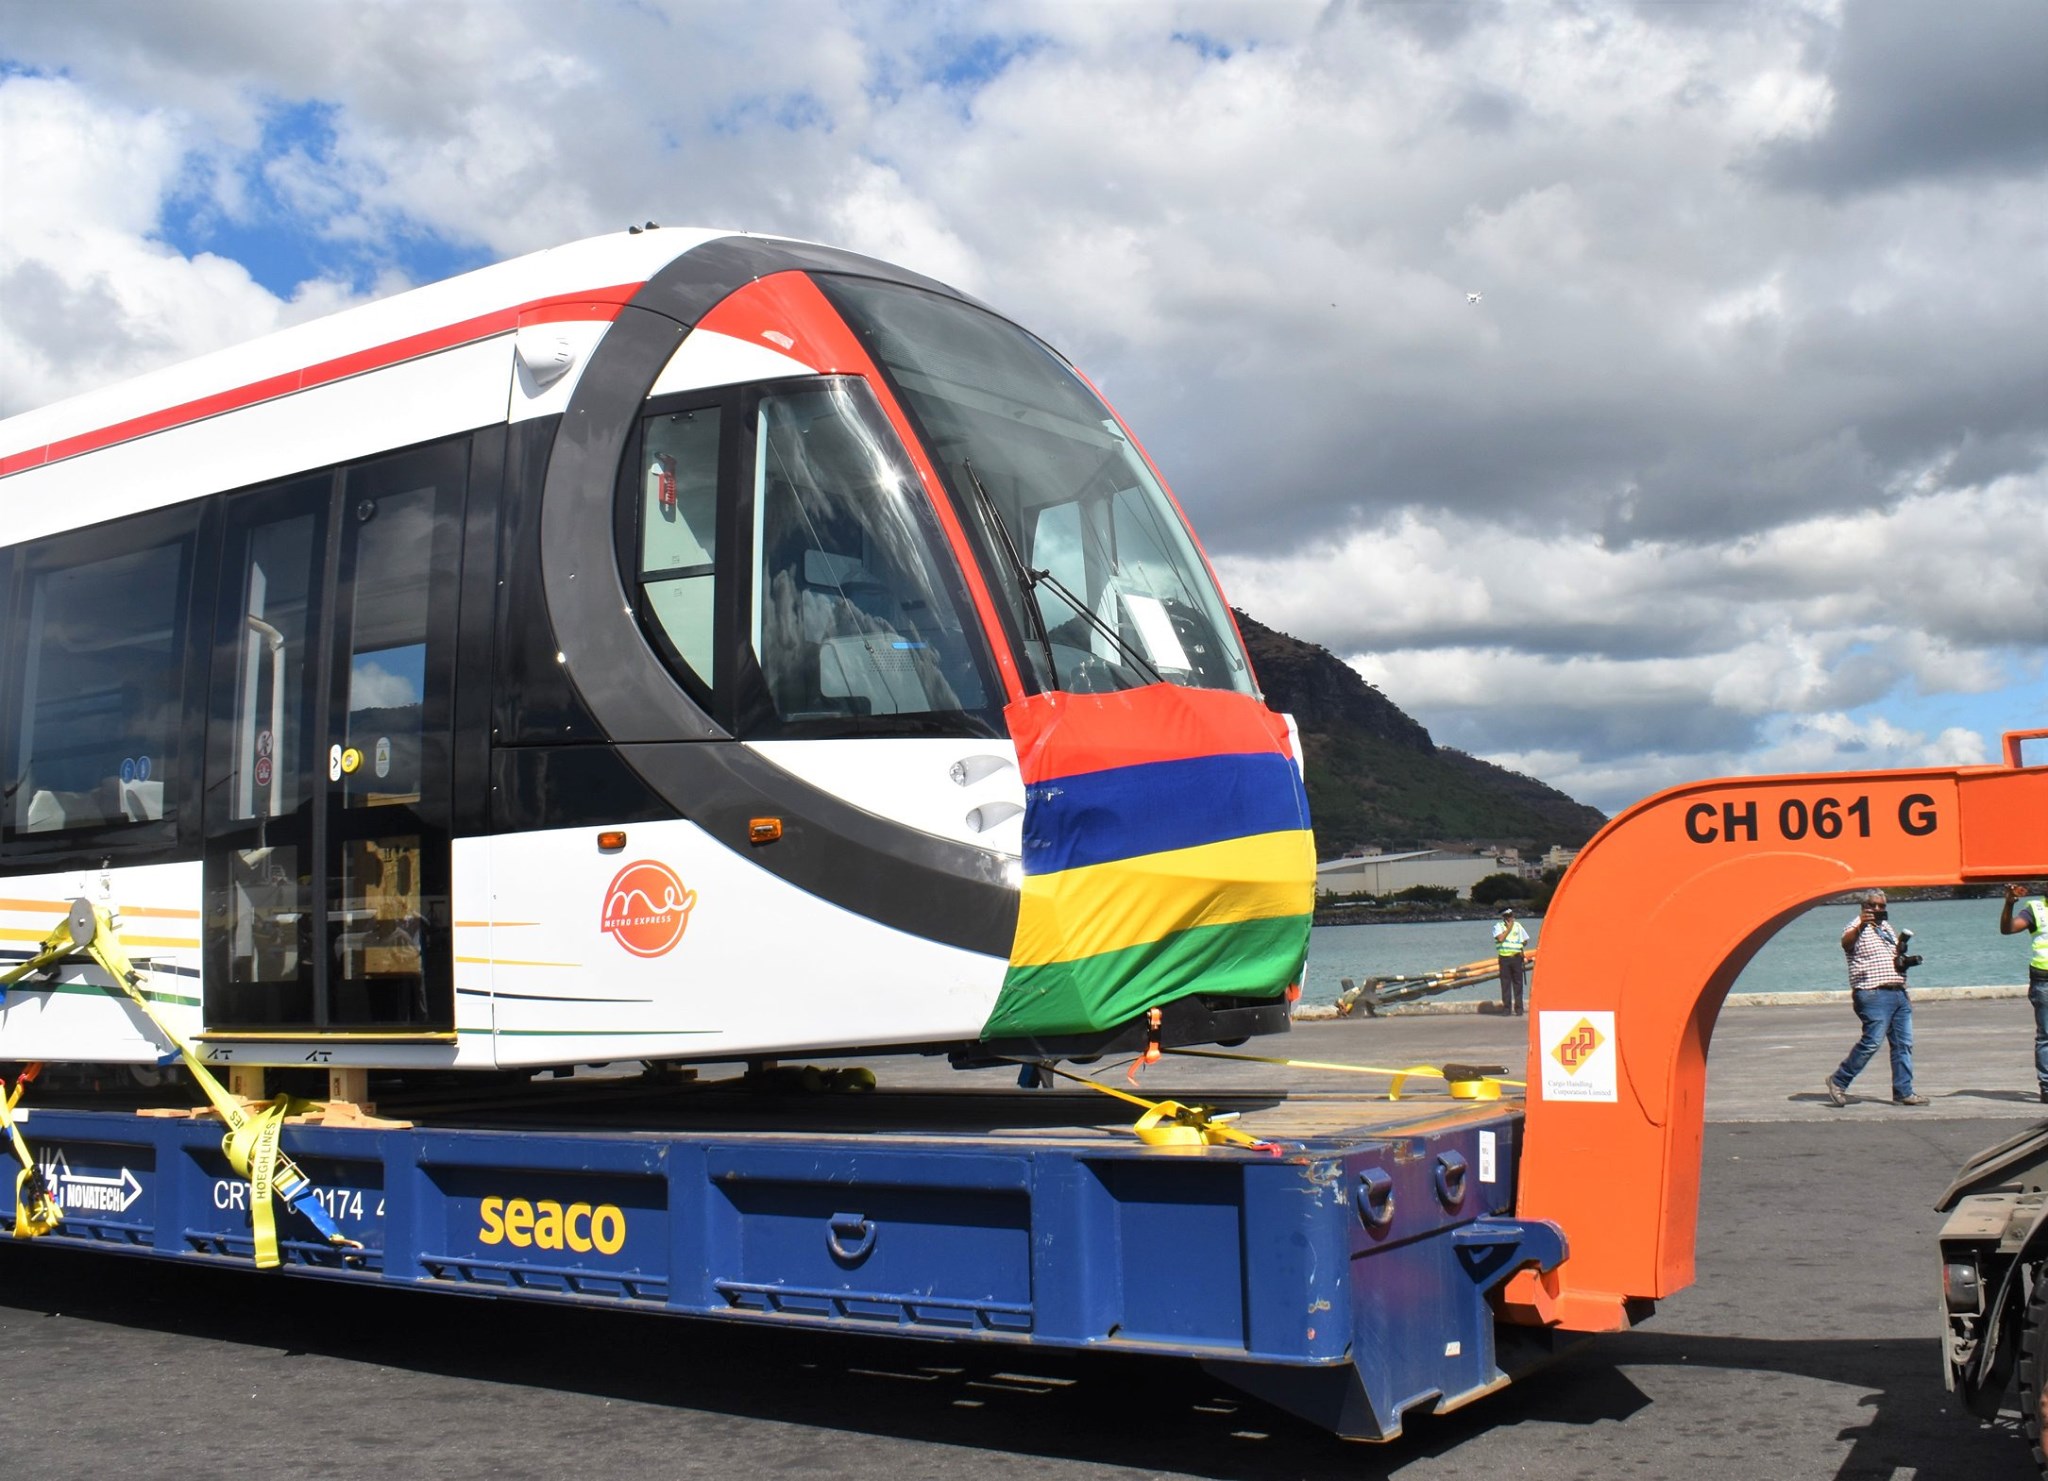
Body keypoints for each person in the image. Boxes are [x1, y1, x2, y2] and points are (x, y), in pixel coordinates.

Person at [1824, 889, 1926, 1106]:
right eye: (1873, 905)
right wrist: (1861, 925)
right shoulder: (1855, 927)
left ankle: (1903, 1091)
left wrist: (1903, 956)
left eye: (1882, 906)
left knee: (1903, 1044)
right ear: (1863, 906)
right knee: (1871, 1042)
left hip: (1897, 991)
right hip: (1872, 993)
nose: (1877, 909)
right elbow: (1846, 943)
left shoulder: (1886, 928)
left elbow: (1892, 957)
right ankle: (1839, 1080)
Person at [1999, 882, 2048, 1104]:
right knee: (2046, 1036)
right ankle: (2047, 1086)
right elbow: (2008, 928)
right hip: (2044, 979)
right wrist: (2009, 903)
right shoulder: (2036, 909)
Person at [1493, 907, 1530, 1015]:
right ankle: (1506, 1009)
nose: (1510, 918)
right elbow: (1500, 938)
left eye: (1511, 916)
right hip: (1504, 958)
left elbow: (1525, 940)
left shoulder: (1518, 926)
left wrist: (1518, 946)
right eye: (1508, 916)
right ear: (1503, 917)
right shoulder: (1498, 927)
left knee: (1518, 984)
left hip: (1516, 958)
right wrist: (1509, 928)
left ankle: (1519, 1009)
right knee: (1505, 984)